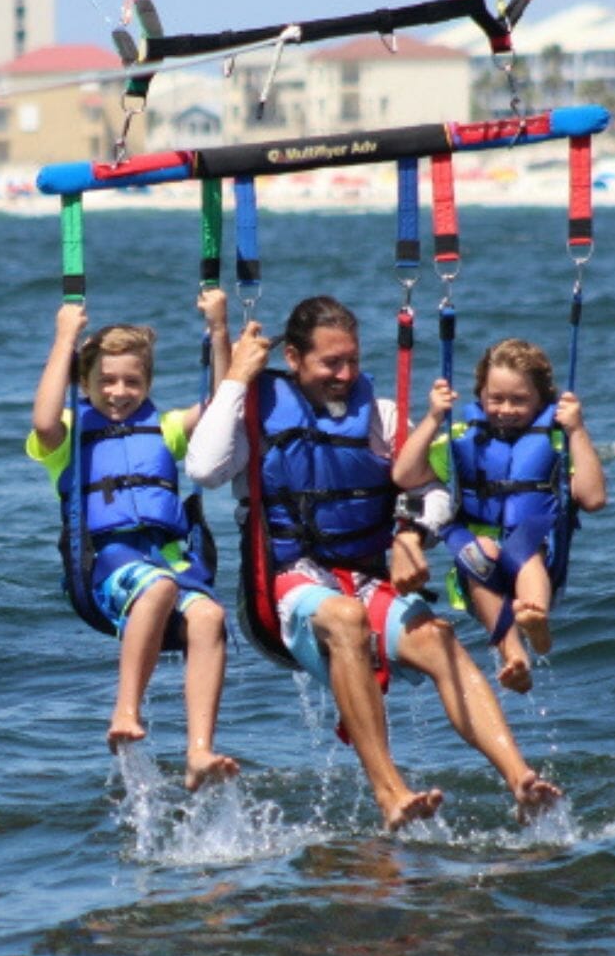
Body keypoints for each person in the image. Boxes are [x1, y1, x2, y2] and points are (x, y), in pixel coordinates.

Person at [185, 296, 561, 829]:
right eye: (330, 363)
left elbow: (433, 493)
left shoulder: (380, 415)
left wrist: (409, 536)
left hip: (362, 576)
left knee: (438, 639)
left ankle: (520, 780)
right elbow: (204, 469)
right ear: (292, 358)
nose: (345, 374)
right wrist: (237, 378)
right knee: (345, 618)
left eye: (352, 361)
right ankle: (390, 793)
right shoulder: (255, 414)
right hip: (285, 584)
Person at [28, 290, 240, 791]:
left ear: (148, 383)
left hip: (168, 560)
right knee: (158, 587)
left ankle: (199, 751)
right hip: (108, 565)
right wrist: (65, 338)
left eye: (132, 381)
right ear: (83, 383)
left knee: (210, 616)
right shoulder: (68, 434)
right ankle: (125, 711)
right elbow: (42, 420)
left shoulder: (165, 428)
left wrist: (219, 331)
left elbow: (223, 410)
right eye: (105, 381)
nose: (119, 392)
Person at [393, 338, 608, 693]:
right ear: (480, 394)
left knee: (523, 552)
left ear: (542, 399)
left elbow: (594, 498)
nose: (506, 409)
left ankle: (535, 621)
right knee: (480, 551)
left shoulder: (558, 442)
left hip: (537, 554)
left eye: (519, 400)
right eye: (496, 399)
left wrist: (577, 430)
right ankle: (514, 653)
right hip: (477, 567)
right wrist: (433, 418)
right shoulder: (461, 438)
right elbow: (405, 476)